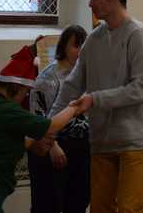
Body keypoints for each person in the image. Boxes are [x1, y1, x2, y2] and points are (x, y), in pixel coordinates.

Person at [50, 0, 143, 213]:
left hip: (136, 139)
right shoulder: (94, 39)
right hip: (102, 139)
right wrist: (49, 126)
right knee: (100, 208)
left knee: (127, 208)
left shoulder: (138, 35)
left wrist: (95, 99)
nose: (90, 3)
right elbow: (72, 86)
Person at [0, 43, 81, 213]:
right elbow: (51, 127)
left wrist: (31, 143)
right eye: (25, 92)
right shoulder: (6, 109)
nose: (24, 97)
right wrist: (75, 107)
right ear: (16, 87)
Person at [29, 25, 90, 213]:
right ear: (64, 47)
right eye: (76, 45)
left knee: (78, 202)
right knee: (49, 204)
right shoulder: (48, 77)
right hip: (52, 147)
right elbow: (38, 116)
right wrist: (53, 147)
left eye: (84, 46)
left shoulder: (86, 75)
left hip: (81, 147)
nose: (80, 51)